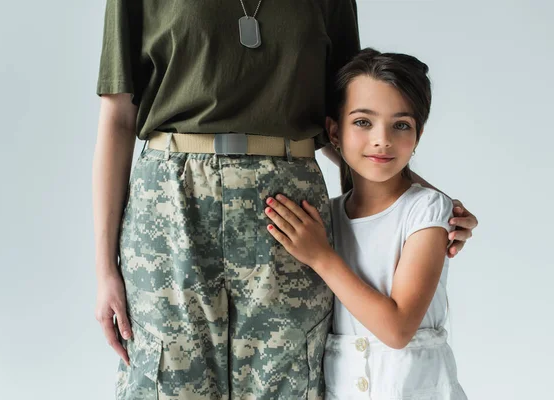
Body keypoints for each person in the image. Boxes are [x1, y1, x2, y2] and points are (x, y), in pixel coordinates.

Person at [92, 1, 477, 398]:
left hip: (289, 210)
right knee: (167, 380)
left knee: (286, 381)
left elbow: (350, 121)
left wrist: (427, 207)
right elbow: (118, 119)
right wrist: (105, 270)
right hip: (170, 201)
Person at [263, 48, 468, 399]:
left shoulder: (426, 210)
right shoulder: (326, 217)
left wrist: (321, 257)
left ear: (417, 136)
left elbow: (398, 329)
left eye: (401, 125)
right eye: (363, 122)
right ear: (334, 131)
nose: (382, 139)